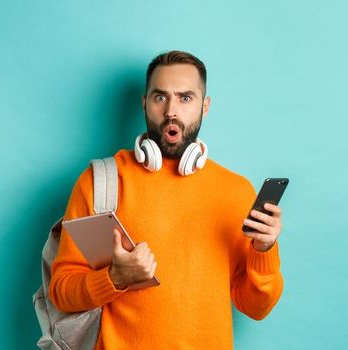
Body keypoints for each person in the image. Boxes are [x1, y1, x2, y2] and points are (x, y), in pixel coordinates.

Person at [49, 50, 284, 349]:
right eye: (161, 97)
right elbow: (61, 292)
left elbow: (257, 307)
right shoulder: (101, 182)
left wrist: (264, 249)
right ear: (145, 103)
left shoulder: (235, 191)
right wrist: (114, 278)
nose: (172, 110)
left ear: (205, 106)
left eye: (186, 98)